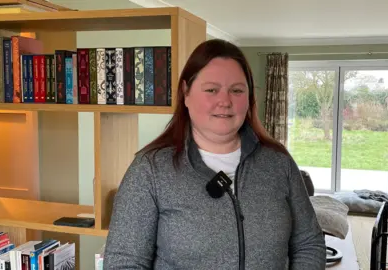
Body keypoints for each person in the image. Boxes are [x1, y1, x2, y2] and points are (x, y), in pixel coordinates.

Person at [103, 39, 326, 270]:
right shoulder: (149, 170)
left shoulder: (279, 163)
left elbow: (309, 243)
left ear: (249, 98)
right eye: (211, 90)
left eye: (237, 90)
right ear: (186, 93)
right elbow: (124, 262)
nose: (225, 101)